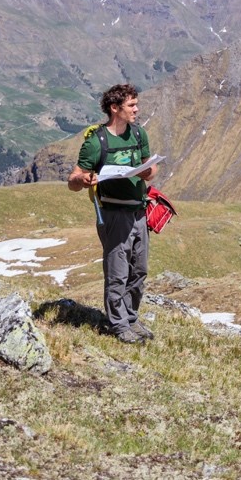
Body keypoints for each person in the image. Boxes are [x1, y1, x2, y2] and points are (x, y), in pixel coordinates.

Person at [68, 84, 158, 344]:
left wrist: (147, 172)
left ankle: (131, 317)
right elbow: (73, 179)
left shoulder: (139, 134)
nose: (137, 109)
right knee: (117, 270)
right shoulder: (96, 142)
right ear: (114, 108)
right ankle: (117, 325)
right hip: (112, 214)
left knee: (139, 269)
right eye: (131, 105)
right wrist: (83, 179)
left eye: (136, 104)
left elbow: (151, 170)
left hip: (139, 211)